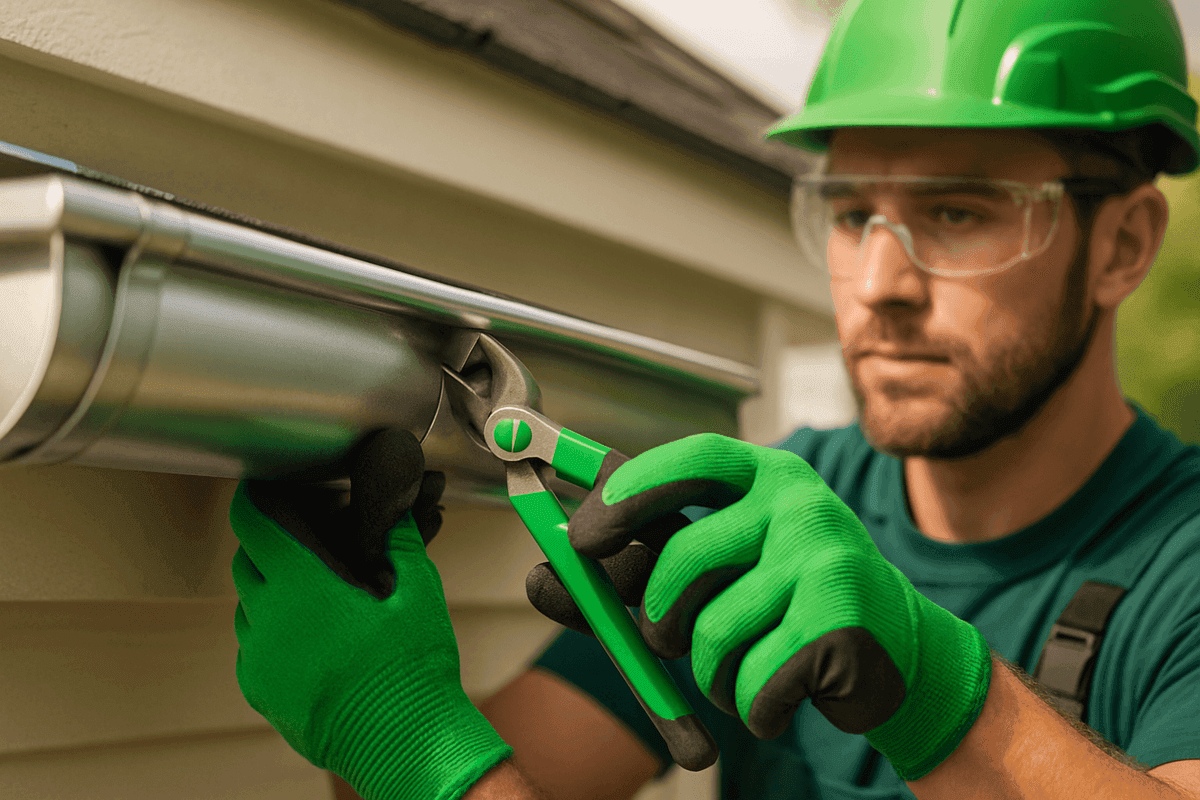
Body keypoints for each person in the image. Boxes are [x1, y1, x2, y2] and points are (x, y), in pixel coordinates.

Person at [227, 0, 1200, 798]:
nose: (879, 283)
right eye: (855, 213)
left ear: (1121, 244)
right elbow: (476, 775)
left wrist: (940, 687)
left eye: (957, 211)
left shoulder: (1182, 557)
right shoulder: (769, 517)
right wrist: (397, 729)